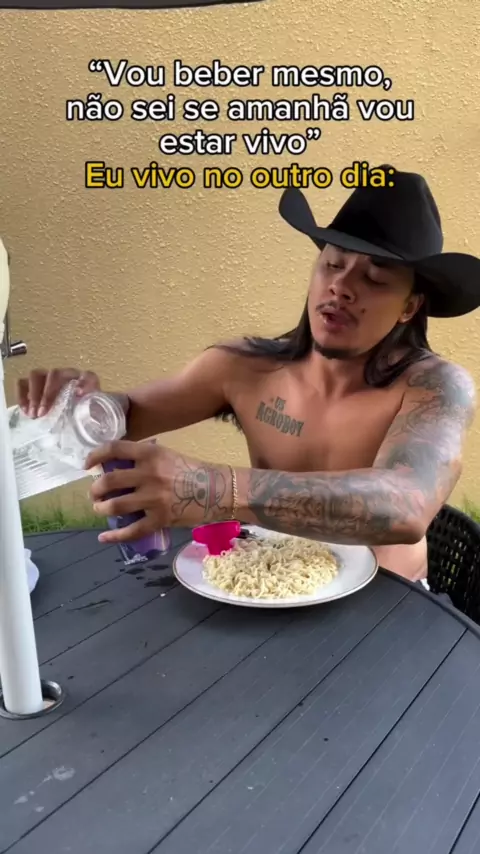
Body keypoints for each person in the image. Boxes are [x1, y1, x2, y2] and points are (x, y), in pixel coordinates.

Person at [17, 166, 480, 584]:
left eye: (375, 279)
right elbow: (123, 418)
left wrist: (213, 489)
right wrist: (77, 408)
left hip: (392, 611)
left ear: (410, 306)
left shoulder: (436, 387)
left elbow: (406, 503)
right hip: (269, 589)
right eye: (333, 264)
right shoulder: (244, 366)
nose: (341, 286)